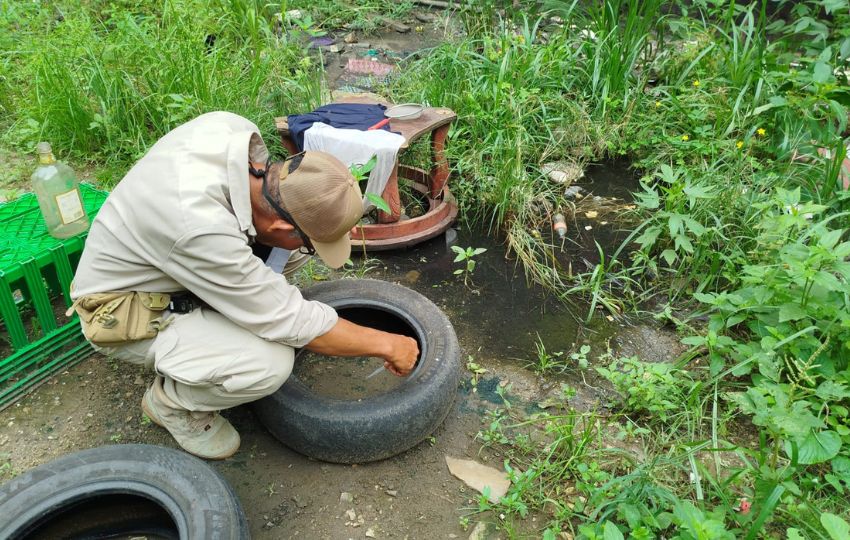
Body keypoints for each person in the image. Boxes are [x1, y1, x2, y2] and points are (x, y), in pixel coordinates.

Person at [69, 112, 419, 460]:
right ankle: (170, 405)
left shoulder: (236, 134)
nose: (309, 251)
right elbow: (296, 323)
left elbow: (272, 264)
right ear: (281, 228)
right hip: (126, 306)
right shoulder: (199, 227)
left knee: (290, 259)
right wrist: (388, 345)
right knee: (268, 363)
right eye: (310, 242)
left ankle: (226, 314)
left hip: (168, 258)